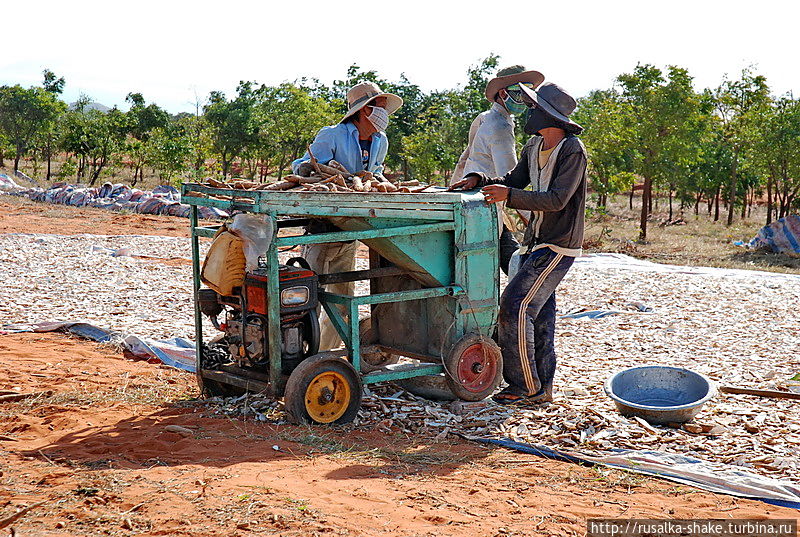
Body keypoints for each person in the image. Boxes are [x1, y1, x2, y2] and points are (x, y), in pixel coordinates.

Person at [451, 82, 587, 404]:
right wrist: (481, 180)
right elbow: (512, 180)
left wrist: (509, 196)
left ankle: (524, 386)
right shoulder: (533, 145)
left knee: (515, 306)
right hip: (535, 243)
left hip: (558, 245)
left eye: (532, 107)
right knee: (540, 315)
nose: (527, 111)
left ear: (547, 116)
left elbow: (557, 200)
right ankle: (542, 388)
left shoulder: (572, 150)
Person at [292, 82, 403, 350]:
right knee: (310, 293)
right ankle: (297, 350)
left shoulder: (380, 141)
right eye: (379, 106)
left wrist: (374, 182)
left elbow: (374, 174)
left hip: (351, 227)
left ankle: (323, 353)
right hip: (323, 225)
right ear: (364, 110)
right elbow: (301, 168)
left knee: (343, 296)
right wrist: (322, 172)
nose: (383, 113)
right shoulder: (333, 135)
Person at [450, 66, 543, 275]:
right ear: (503, 93)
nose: (526, 99)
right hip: (483, 202)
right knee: (508, 261)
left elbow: (465, 158)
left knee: (502, 254)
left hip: (472, 197)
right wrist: (536, 220)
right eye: (520, 94)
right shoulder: (500, 127)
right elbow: (512, 179)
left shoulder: (486, 118)